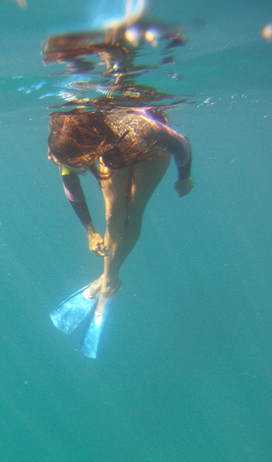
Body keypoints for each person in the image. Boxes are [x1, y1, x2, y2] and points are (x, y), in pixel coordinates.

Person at [48, 106, 193, 358]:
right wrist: (90, 230)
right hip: (111, 146)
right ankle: (108, 281)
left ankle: (105, 285)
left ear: (86, 149)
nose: (79, 169)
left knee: (133, 210)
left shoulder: (143, 130)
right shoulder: (62, 142)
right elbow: (70, 181)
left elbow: (181, 144)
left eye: (79, 163)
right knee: (114, 215)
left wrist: (184, 177)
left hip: (146, 147)